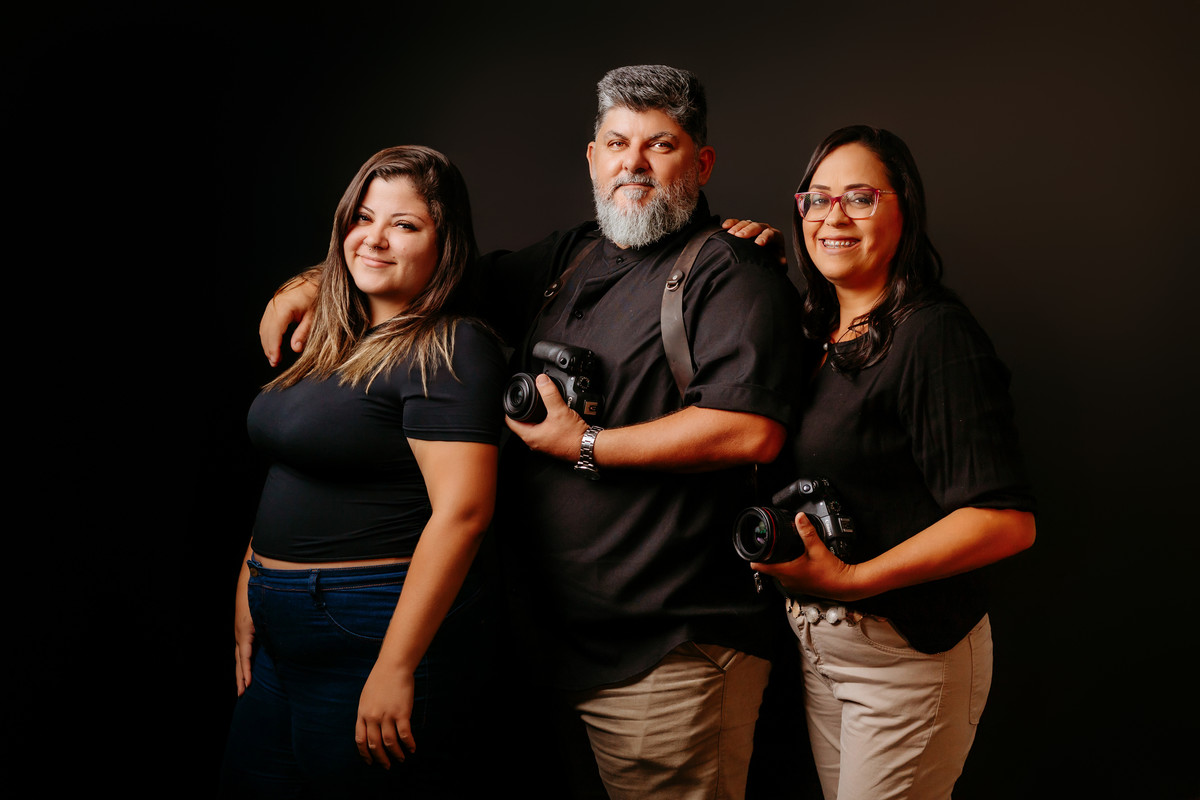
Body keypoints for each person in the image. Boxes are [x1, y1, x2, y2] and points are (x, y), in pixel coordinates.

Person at [258, 65, 803, 800]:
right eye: (618, 143)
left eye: (660, 145)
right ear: (592, 157)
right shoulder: (570, 256)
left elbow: (748, 431)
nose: (634, 164)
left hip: (667, 648)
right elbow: (432, 268)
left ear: (701, 163)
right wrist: (313, 281)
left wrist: (585, 445)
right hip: (550, 646)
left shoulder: (731, 272)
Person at [750, 125, 1037, 800]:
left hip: (908, 661)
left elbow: (1004, 522)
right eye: (817, 199)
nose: (833, 217)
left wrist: (854, 580)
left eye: (860, 198)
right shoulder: (815, 333)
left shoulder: (934, 335)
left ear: (905, 209)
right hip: (823, 654)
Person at [220, 145, 508, 799]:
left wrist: (396, 665)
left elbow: (464, 513)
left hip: (368, 626)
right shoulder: (331, 338)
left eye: (404, 225)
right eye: (362, 218)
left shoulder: (450, 347)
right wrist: (251, 573)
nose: (374, 238)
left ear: (444, 245)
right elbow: (298, 465)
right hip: (280, 630)